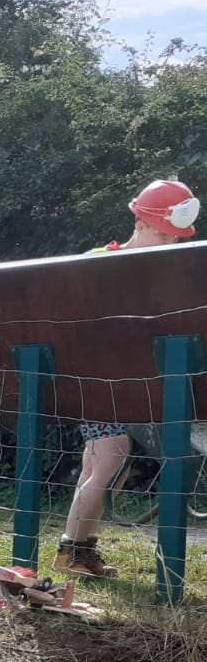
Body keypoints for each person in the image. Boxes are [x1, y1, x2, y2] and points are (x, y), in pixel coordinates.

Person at [55, 178, 198, 578]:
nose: (170, 242)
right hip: (97, 380)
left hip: (132, 384)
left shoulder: (164, 273)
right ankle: (73, 551)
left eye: (175, 236)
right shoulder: (99, 262)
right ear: (140, 224)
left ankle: (77, 550)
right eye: (163, 234)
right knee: (112, 458)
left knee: (101, 467)